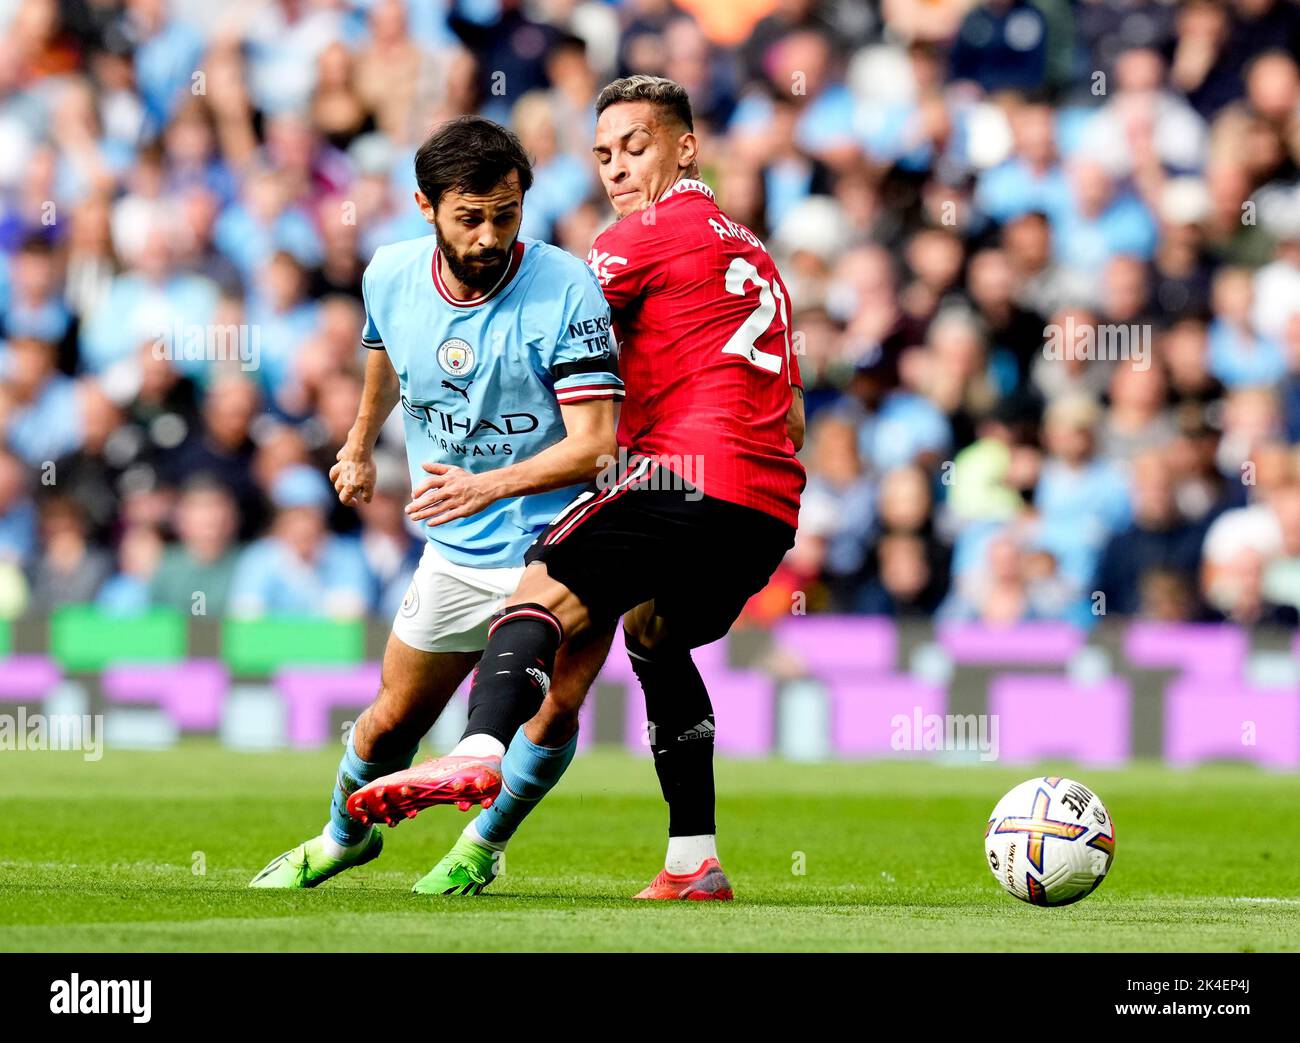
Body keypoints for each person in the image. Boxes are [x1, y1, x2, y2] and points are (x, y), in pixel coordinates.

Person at [349, 76, 805, 901]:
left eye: (637, 146)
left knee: (544, 579)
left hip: (686, 478)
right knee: (655, 637)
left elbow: (545, 309)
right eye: (603, 154)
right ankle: (692, 857)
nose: (618, 169)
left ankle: (480, 748)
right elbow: (795, 421)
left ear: (685, 146)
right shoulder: (756, 257)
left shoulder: (636, 241)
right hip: (768, 510)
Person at [249, 115, 622, 890]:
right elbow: (387, 363)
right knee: (391, 720)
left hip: (563, 540)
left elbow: (596, 444)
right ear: (426, 207)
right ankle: (343, 834)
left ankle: (480, 847)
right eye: (470, 217)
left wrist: (482, 484)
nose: (490, 236)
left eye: (506, 214)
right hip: (457, 548)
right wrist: (357, 443)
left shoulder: (566, 287)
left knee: (554, 708)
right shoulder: (387, 273)